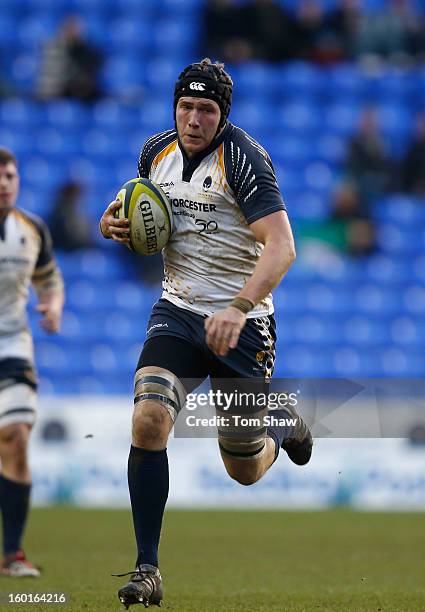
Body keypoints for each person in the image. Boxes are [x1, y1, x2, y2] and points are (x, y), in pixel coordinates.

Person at [100, 59, 313, 609]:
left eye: (207, 109)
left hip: (243, 325)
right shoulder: (155, 151)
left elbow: (283, 247)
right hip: (178, 308)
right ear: (174, 107)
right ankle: (148, 569)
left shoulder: (243, 160)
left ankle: (279, 424)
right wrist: (111, 223)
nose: (194, 119)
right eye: (186, 107)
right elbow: (136, 210)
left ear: (223, 116)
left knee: (242, 468)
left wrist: (239, 307)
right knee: (149, 417)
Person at [0, 148, 64, 576]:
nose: (5, 182)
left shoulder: (31, 229)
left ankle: (12, 555)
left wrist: (53, 304)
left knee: (16, 437)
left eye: (10, 175)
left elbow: (50, 278)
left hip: (12, 345)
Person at [37, 15, 102, 102]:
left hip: (76, 92)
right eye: (71, 29)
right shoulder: (53, 49)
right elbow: (53, 78)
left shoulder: (87, 52)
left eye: (77, 30)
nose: (74, 33)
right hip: (56, 92)